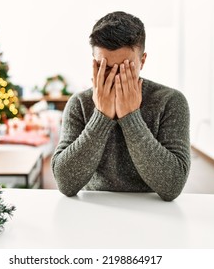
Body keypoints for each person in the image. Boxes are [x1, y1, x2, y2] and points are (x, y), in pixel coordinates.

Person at [51, 11, 190, 201]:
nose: (115, 78)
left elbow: (173, 186)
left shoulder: (170, 101)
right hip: (94, 209)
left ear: (142, 61)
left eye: (125, 67)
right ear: (94, 62)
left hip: (154, 212)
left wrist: (131, 116)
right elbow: (66, 183)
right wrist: (101, 116)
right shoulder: (80, 103)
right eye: (105, 67)